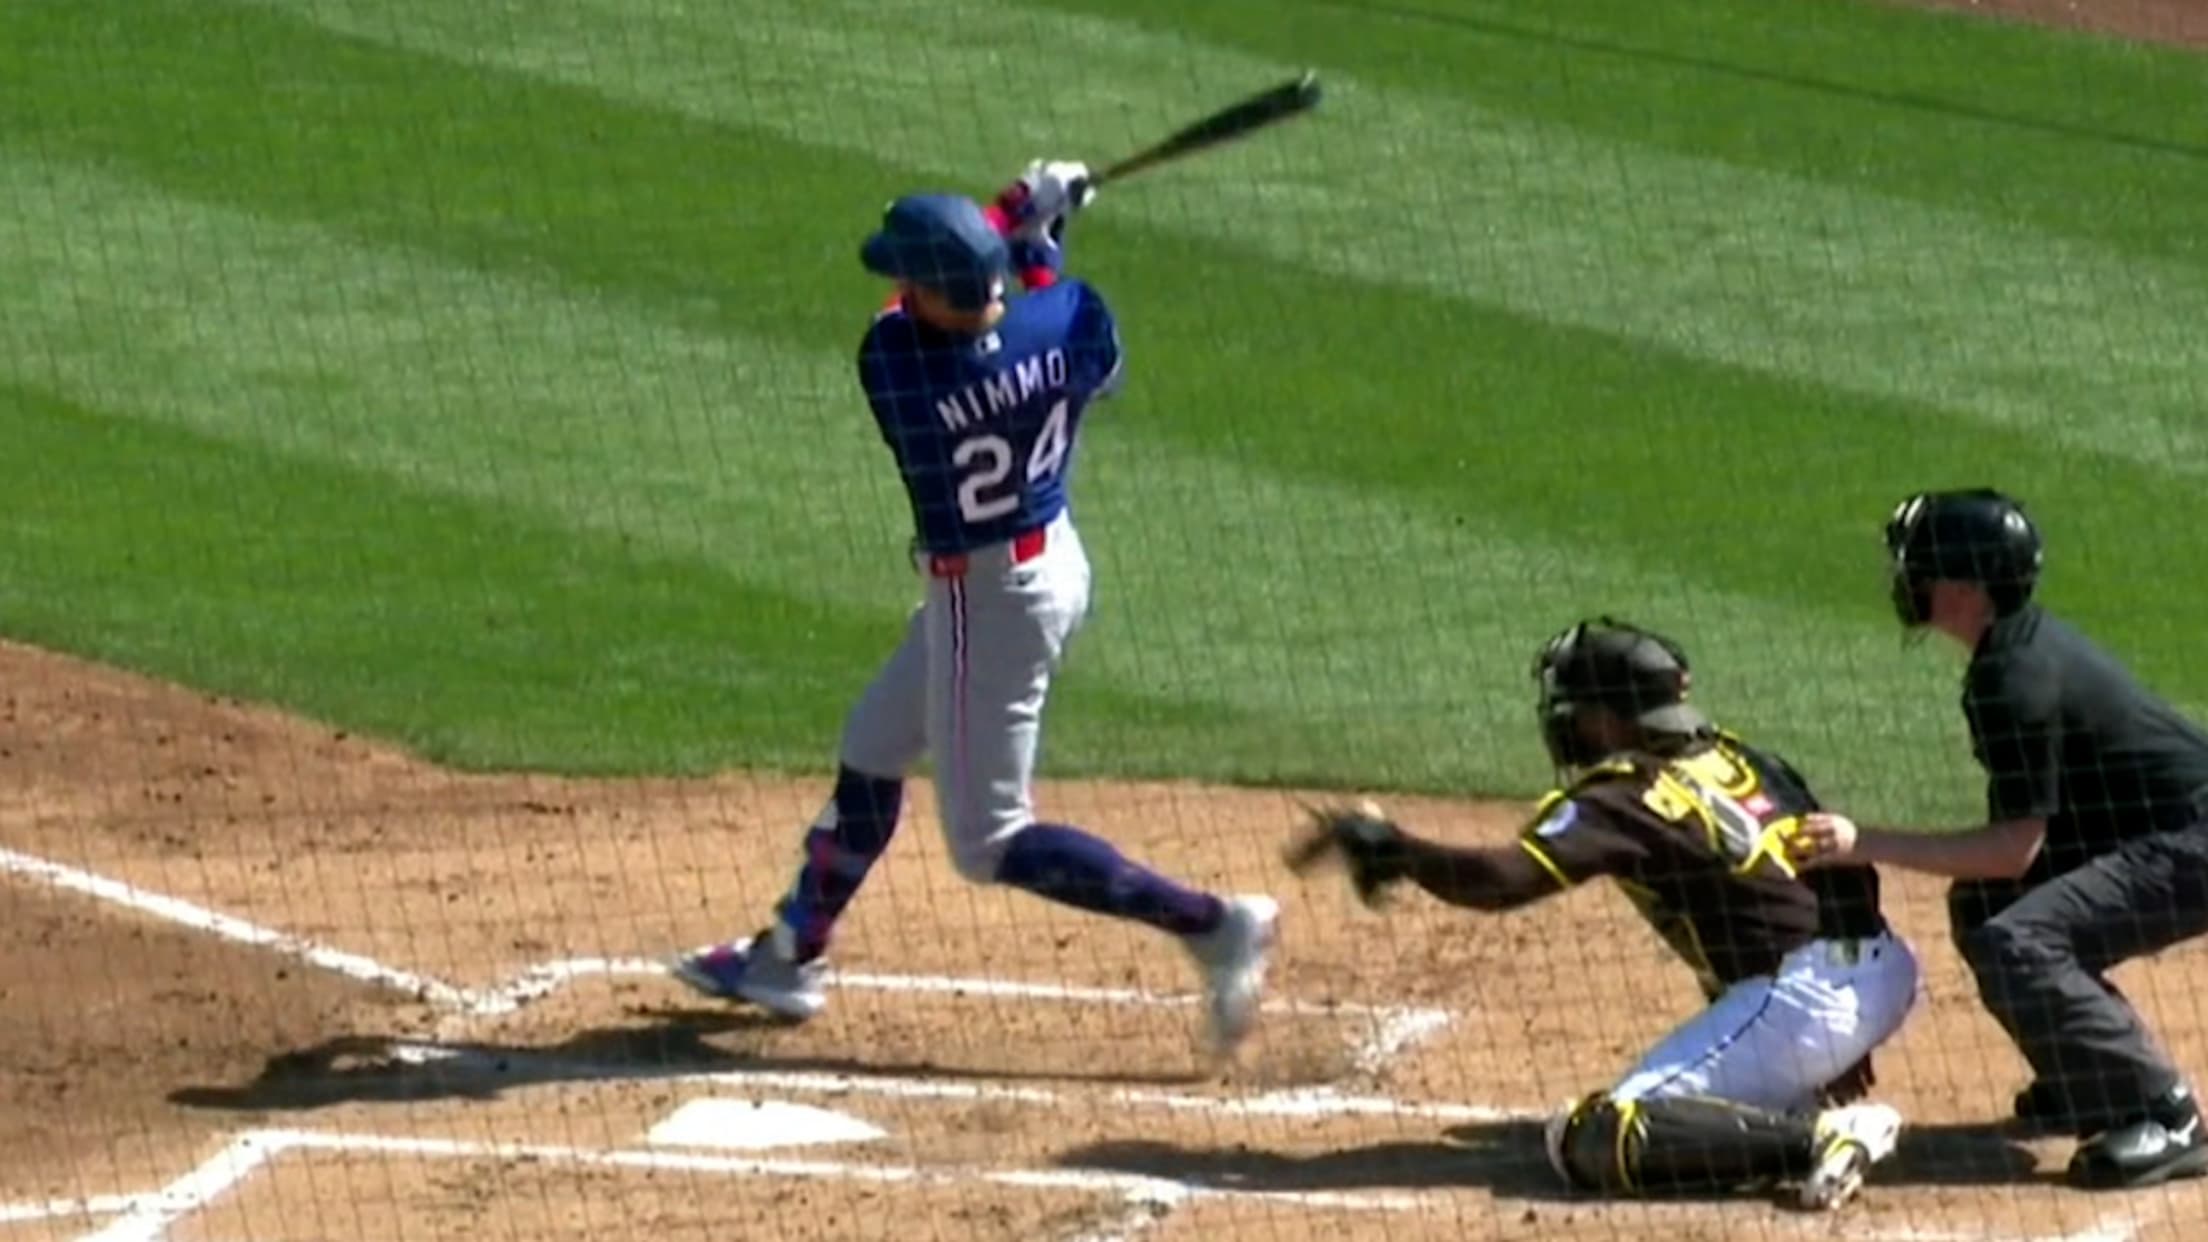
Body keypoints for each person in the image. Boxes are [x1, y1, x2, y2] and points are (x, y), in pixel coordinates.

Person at [667, 163, 1277, 1062]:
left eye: (909, 277)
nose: (898, 289)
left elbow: (938, 309)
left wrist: (1014, 211)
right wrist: (1038, 237)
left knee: (988, 843)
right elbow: (1065, 336)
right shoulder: (1071, 317)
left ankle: (1215, 924)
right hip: (1052, 563)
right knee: (873, 742)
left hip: (983, 602)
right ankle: (790, 953)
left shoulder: (900, 370)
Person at [1290, 618, 1918, 1209]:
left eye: (1575, 708)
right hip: (1878, 967)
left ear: (1605, 717)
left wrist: (1400, 852)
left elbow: (1507, 879)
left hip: (1805, 998)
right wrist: (1843, 1020)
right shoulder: (1741, 758)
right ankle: (1800, 1093)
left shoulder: (1625, 794)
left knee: (1597, 1137)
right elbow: (1837, 871)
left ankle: (1821, 1139)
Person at [1790, 488, 2208, 1189]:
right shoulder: (2014, 648)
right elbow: (2012, 858)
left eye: (1917, 567)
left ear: (1961, 587)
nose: (1906, 581)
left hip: (2195, 845)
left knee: (2017, 938)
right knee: (1985, 905)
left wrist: (1865, 840)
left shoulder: (2013, 679)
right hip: (2170, 829)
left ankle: (2165, 1115)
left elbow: (2010, 848)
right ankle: (2089, 1078)